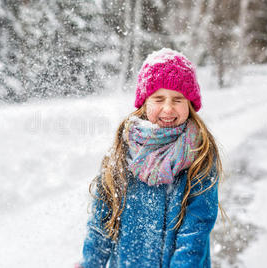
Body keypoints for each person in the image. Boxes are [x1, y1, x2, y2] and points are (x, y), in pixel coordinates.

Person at [78, 48, 223, 268]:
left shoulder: (198, 155)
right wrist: (90, 263)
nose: (168, 108)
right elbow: (102, 222)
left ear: (190, 105)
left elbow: (195, 232)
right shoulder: (123, 151)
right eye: (158, 98)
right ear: (145, 102)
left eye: (178, 99)